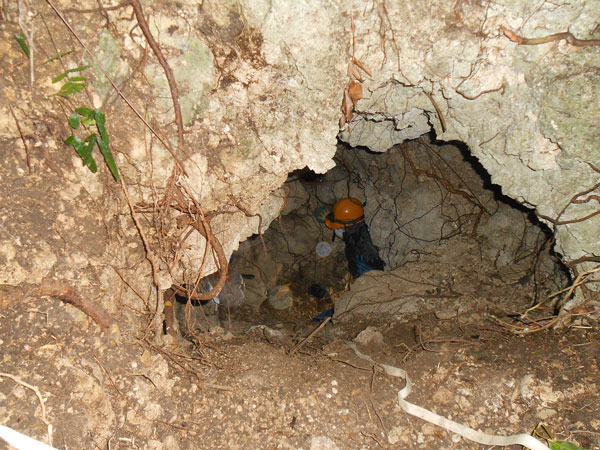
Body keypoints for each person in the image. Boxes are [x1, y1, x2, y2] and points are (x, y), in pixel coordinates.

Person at [324, 197, 385, 278]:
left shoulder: (364, 250)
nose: (337, 230)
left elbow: (372, 266)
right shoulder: (356, 237)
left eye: (340, 228)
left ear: (350, 227)